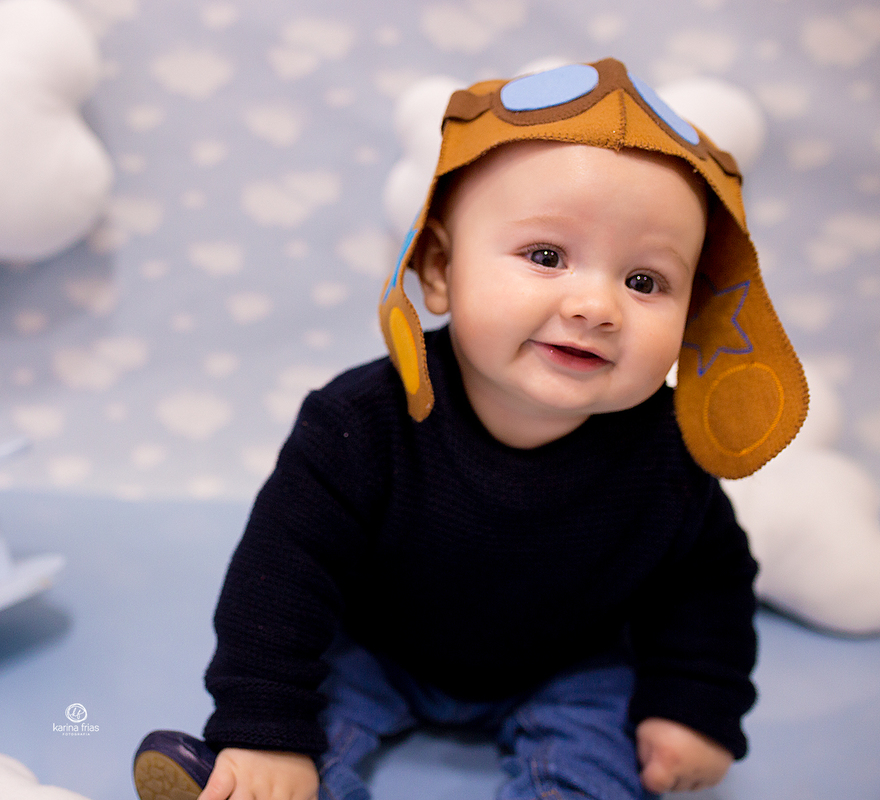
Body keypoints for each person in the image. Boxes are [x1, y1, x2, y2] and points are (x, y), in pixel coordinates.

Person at [132, 58, 807, 800]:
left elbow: (708, 584)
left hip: (571, 666)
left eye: (644, 281)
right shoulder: (360, 425)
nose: (596, 307)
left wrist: (694, 707)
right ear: (437, 271)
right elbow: (281, 572)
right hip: (379, 647)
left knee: (598, 758)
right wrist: (263, 727)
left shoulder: (667, 458)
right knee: (308, 723)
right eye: (546, 256)